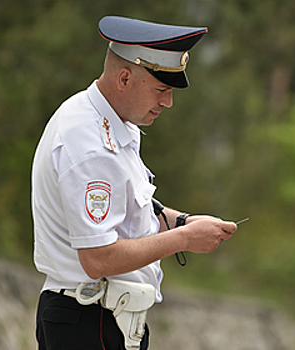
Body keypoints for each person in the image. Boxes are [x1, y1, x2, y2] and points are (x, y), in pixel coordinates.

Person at [32, 16, 238, 350]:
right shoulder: (90, 144)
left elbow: (130, 213)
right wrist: (183, 238)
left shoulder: (113, 125)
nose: (167, 102)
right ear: (124, 78)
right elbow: (98, 258)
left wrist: (182, 221)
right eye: (161, 90)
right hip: (89, 321)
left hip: (103, 318)